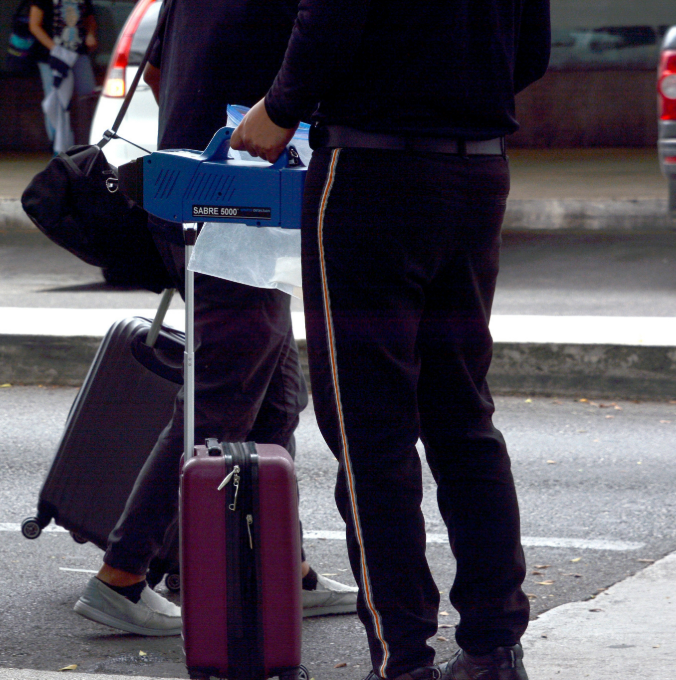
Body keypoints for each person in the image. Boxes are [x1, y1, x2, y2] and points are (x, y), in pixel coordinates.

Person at [229, 1, 551, 678]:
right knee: (463, 417)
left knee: (370, 433)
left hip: (370, 172)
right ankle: (495, 646)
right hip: (476, 174)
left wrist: (280, 108)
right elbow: (532, 52)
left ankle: (403, 659)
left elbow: (331, 17)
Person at [72, 0, 358, 638]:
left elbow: (154, 70)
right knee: (223, 391)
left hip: (204, 191)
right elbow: (315, 58)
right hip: (234, 203)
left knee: (278, 393)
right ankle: (124, 572)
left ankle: (280, 565)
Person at [27, 0, 97, 152]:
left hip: (79, 53)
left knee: (88, 96)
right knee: (56, 99)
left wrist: (91, 35)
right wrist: (57, 51)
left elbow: (90, 19)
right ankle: (57, 147)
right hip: (51, 57)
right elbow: (34, 25)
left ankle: (88, 142)